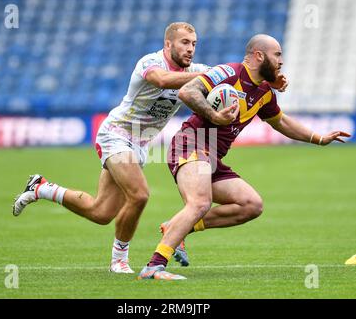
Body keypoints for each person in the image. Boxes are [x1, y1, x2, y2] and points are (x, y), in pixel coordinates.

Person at [12, 22, 240, 274]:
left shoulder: (196, 70)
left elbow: (232, 77)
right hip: (115, 135)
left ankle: (42, 188)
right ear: (168, 44)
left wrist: (268, 81)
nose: (191, 49)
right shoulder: (150, 62)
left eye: (194, 44)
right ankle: (119, 261)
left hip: (139, 145)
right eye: (185, 42)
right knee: (140, 194)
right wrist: (205, 78)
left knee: (100, 212)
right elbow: (162, 80)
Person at [138, 34, 351, 280]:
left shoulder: (264, 92)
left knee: (251, 205)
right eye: (277, 54)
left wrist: (318, 138)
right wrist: (215, 116)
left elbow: (280, 121)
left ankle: (177, 226)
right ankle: (153, 266)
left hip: (213, 157)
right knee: (199, 202)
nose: (281, 61)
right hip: (191, 143)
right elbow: (187, 91)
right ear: (259, 55)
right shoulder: (229, 72)